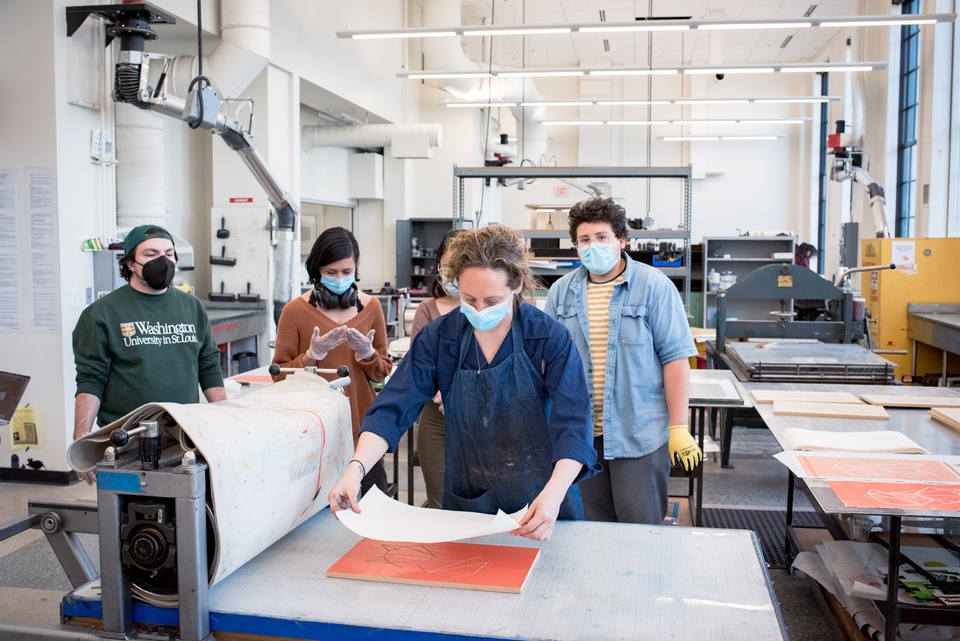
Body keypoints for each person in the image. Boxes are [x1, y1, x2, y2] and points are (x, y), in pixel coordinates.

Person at [328, 225, 599, 541]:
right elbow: (392, 409)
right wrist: (355, 470)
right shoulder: (440, 338)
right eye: (469, 299)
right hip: (469, 506)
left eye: (492, 299)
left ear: (517, 285)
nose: (479, 310)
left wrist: (554, 493)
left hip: (545, 501)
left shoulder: (548, 338)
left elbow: (574, 424)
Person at [543, 198, 700, 525]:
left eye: (601, 237)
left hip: (638, 435)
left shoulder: (654, 287)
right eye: (584, 240)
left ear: (621, 240)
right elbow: (545, 361)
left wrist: (679, 427)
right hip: (581, 435)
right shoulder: (561, 293)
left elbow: (675, 360)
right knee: (589, 532)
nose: (593, 246)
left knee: (640, 532)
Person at [72, 224, 226, 484]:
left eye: (169, 253)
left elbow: (208, 365)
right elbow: (90, 379)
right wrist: (81, 440)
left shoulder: (192, 308)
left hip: (184, 435)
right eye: (151, 254)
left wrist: (225, 422)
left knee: (189, 512)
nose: (163, 261)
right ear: (131, 263)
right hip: (126, 441)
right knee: (129, 515)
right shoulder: (101, 314)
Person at [274, 226, 393, 494]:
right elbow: (278, 376)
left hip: (362, 432)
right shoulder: (294, 312)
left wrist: (367, 354)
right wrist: (311, 356)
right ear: (317, 270)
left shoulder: (371, 307)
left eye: (347, 272)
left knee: (372, 511)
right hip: (312, 433)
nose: (340, 279)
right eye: (331, 273)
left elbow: (382, 373)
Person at [409, 229, 462, 509]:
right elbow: (420, 366)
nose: (451, 273)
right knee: (440, 501)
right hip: (437, 417)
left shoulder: (489, 311)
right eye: (446, 266)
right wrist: (441, 391)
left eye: (459, 266)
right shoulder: (428, 310)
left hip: (481, 417)